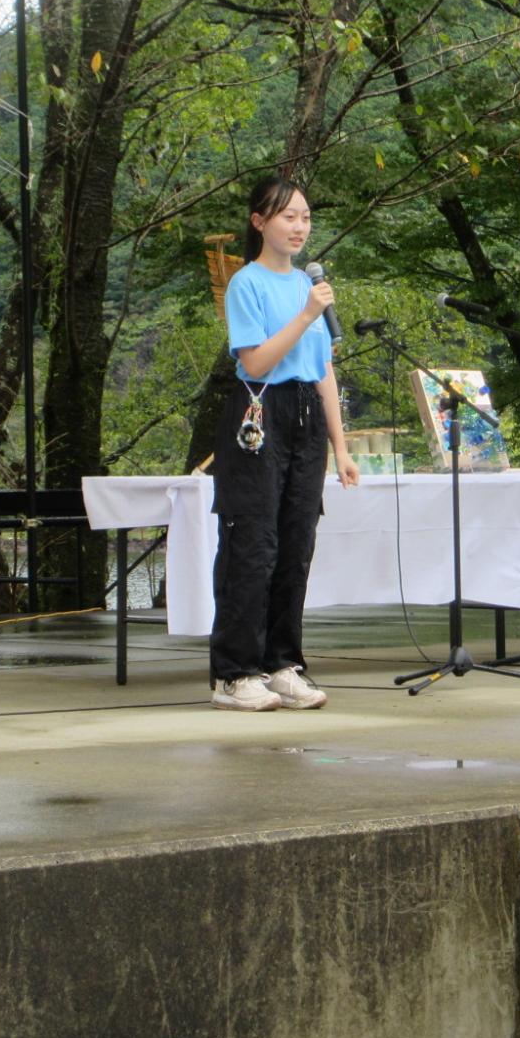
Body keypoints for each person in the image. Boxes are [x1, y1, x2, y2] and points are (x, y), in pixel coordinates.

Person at [208, 176, 359, 712]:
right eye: (288, 216)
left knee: (296, 543)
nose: (299, 227)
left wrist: (340, 448)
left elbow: (323, 372)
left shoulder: (308, 286)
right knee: (253, 544)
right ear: (260, 222)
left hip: (305, 419)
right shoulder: (247, 283)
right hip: (260, 413)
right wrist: (306, 314)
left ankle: (282, 664)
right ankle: (234, 673)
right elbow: (254, 362)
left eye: (306, 217)